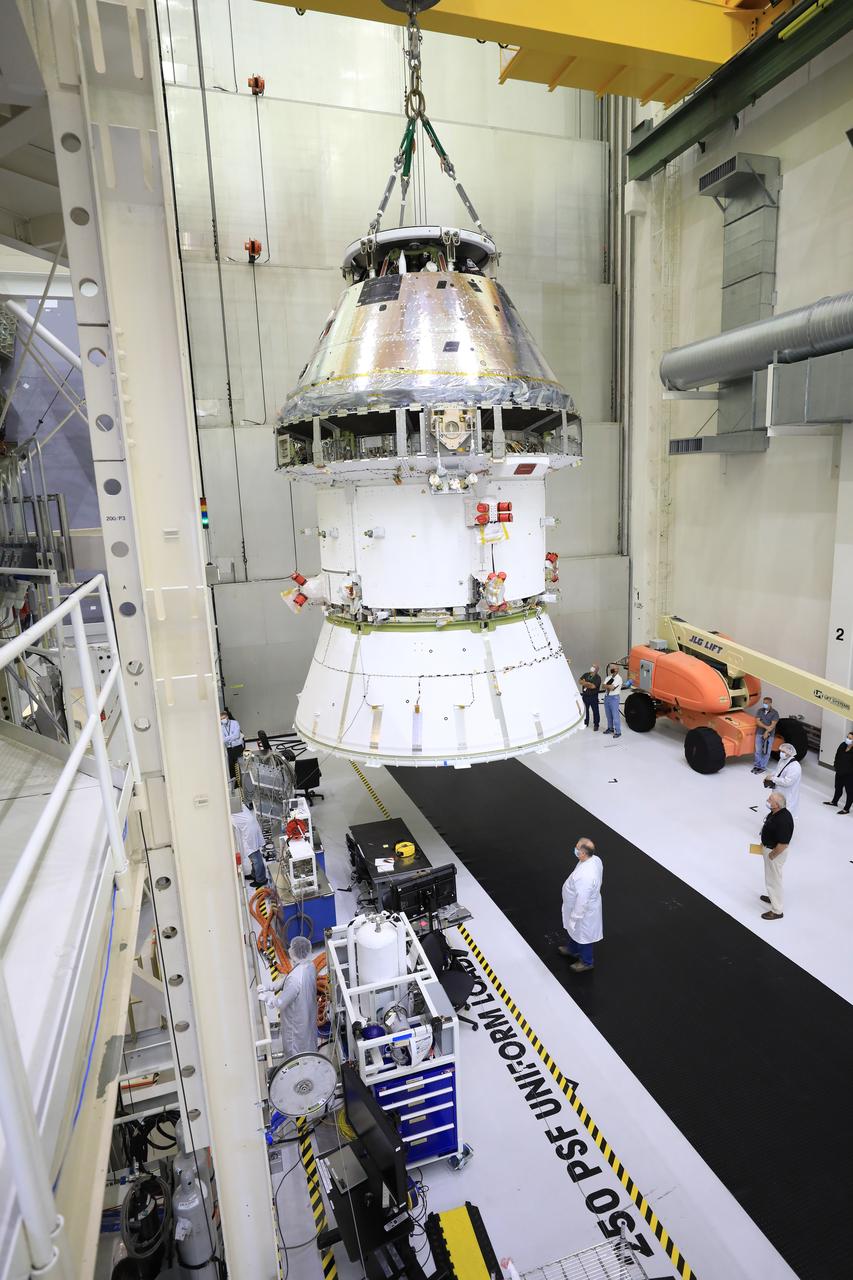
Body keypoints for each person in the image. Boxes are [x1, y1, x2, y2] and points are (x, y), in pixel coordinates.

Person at [258, 936, 318, 1059]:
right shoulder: (309, 966)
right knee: (308, 1045)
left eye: (291, 947)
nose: (289, 949)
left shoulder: (295, 979)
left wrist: (267, 999)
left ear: (295, 952)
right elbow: (287, 978)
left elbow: (280, 1002)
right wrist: (269, 986)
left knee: (295, 1054)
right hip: (308, 1018)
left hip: (295, 1025)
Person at [558, 838, 603, 972]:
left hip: (582, 912)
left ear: (583, 853)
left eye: (577, 848)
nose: (575, 849)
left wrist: (574, 917)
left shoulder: (586, 876)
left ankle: (586, 962)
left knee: (583, 936)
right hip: (580, 906)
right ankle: (572, 949)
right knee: (575, 932)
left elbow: (582, 900)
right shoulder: (595, 859)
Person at [758, 791, 793, 921]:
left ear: (776, 804)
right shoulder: (776, 813)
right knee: (771, 878)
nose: (768, 800)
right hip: (769, 849)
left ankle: (777, 910)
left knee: (774, 880)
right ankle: (773, 898)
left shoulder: (784, 820)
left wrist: (773, 854)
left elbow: (783, 844)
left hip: (775, 852)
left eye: (770, 799)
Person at [229, 793, 268, 888]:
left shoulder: (229, 809)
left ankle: (261, 880)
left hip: (249, 830)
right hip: (251, 827)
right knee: (254, 855)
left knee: (255, 857)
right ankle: (255, 875)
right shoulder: (237, 804)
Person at [763, 741, 801, 817]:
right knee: (775, 807)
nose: (781, 753)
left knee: (785, 811)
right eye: (781, 751)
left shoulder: (795, 767)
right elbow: (777, 771)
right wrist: (769, 777)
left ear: (789, 753)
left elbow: (787, 782)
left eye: (783, 751)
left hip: (787, 794)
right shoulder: (783, 760)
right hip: (779, 791)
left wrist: (773, 779)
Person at [824, 732, 853, 814]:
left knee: (849, 792)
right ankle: (834, 802)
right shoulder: (842, 745)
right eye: (847, 737)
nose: (848, 739)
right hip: (839, 772)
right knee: (838, 787)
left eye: (850, 738)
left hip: (849, 775)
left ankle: (846, 809)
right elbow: (837, 756)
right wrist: (835, 766)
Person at [751, 696, 779, 774]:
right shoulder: (760, 711)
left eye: (766, 703)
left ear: (770, 703)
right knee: (758, 750)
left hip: (770, 735)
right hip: (759, 733)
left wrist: (766, 732)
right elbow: (758, 721)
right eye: (763, 703)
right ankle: (757, 765)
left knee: (766, 751)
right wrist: (766, 727)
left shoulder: (775, 713)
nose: (764, 704)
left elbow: (773, 725)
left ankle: (762, 766)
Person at [220, 707, 244, 779]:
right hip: (229, 748)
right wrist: (231, 737)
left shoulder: (234, 723)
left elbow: (237, 736)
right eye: (221, 719)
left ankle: (242, 781)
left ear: (227, 717)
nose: (222, 720)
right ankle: (235, 785)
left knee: (240, 765)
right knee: (231, 767)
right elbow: (222, 739)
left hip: (238, 746)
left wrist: (228, 738)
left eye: (223, 718)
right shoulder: (221, 727)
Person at [579, 664, 602, 731]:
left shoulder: (598, 678)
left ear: (596, 669)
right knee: (585, 710)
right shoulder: (586, 674)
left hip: (593, 697)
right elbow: (579, 681)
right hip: (585, 696)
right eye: (592, 666)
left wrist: (584, 683)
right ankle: (586, 722)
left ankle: (596, 725)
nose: (592, 667)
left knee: (595, 711)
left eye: (594, 666)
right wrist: (587, 683)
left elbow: (593, 686)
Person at [602, 665, 622, 737]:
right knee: (608, 715)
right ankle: (610, 728)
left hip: (614, 698)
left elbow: (612, 688)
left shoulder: (618, 678)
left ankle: (618, 732)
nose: (611, 669)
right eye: (611, 668)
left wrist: (607, 686)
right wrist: (608, 686)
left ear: (617, 670)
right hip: (607, 697)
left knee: (615, 715)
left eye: (613, 668)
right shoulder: (608, 677)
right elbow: (603, 686)